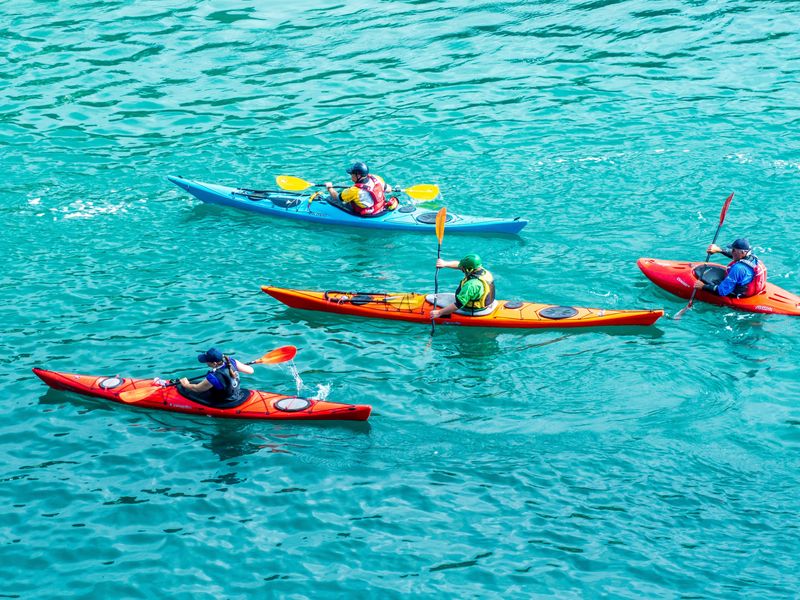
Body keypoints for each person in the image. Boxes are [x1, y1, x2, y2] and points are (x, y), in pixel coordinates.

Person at [693, 238, 767, 298]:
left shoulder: (737, 269)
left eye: (734, 250)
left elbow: (721, 291)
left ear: (743, 252)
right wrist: (720, 250)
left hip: (739, 294)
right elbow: (736, 257)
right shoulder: (753, 258)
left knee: (714, 283)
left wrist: (703, 286)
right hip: (752, 289)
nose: (732, 251)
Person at [178, 347, 254, 405]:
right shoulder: (231, 362)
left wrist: (186, 384)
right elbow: (251, 371)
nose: (206, 362)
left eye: (207, 361)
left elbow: (197, 389)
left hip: (226, 401)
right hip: (237, 394)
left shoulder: (213, 377)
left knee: (186, 388)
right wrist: (237, 366)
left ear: (214, 363)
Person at [430, 254, 496, 318]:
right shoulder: (484, 272)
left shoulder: (471, 285)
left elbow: (458, 305)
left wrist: (439, 313)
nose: (462, 269)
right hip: (487, 305)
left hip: (473, 310)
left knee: (452, 307)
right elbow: (460, 265)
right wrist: (445, 264)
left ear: (468, 269)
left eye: (463, 269)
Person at [324, 161, 398, 216]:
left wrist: (330, 188)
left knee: (330, 199)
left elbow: (337, 197)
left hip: (368, 213)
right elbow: (389, 189)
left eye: (352, 174)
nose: (351, 176)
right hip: (380, 208)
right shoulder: (376, 178)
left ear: (358, 175)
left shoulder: (354, 191)